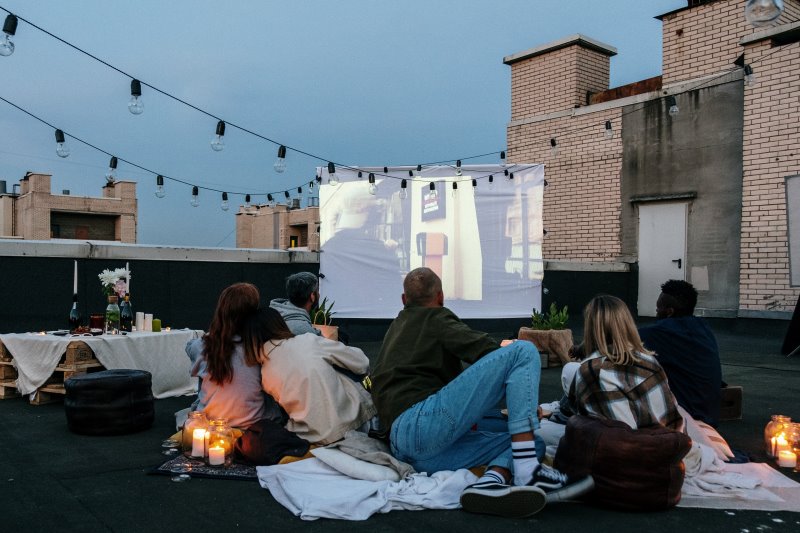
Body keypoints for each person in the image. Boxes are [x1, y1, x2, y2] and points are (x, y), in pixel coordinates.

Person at [370, 267, 593, 519]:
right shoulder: (436, 318)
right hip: (422, 424)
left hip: (412, 452)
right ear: (441, 297)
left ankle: (492, 480)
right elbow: (485, 350)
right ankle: (528, 472)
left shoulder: (396, 327)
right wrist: (508, 351)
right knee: (524, 352)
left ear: (403, 300)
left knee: (530, 443)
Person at [185, 283, 306, 464]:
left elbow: (189, 348)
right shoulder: (261, 348)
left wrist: (214, 337)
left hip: (210, 425)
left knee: (204, 386)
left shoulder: (202, 346)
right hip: (253, 427)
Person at [242, 306, 376, 445]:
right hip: (353, 422)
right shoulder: (307, 341)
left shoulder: (265, 375)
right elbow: (361, 362)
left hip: (312, 438)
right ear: (280, 324)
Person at [569, 295, 684, 431]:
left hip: (634, 445)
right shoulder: (649, 359)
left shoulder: (592, 370)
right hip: (672, 439)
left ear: (590, 328)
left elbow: (620, 433)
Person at [638, 280, 722, 427]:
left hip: (685, 419)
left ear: (669, 312)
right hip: (710, 416)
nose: (656, 312)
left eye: (658, 309)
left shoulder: (659, 333)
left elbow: (620, 340)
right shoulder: (704, 328)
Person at [269, 272, 322, 336]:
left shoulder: (273, 315)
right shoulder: (304, 331)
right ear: (312, 296)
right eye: (317, 291)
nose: (319, 295)